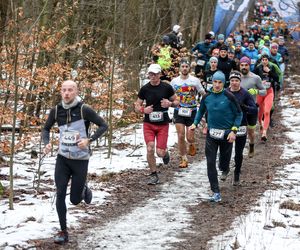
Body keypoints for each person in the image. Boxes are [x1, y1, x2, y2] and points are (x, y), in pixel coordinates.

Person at [42, 80, 108, 244]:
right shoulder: (56, 110)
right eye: (64, 90)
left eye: (70, 90)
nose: (66, 93)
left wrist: (89, 140)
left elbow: (103, 125)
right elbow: (46, 128)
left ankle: (84, 189)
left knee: (75, 200)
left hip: (80, 160)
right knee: (60, 193)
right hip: (62, 158)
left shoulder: (84, 109)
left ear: (76, 91)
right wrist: (47, 143)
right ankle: (63, 231)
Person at [190, 71, 242, 202]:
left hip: (226, 135)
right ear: (212, 82)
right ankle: (216, 192)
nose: (217, 85)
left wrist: (233, 131)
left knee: (223, 164)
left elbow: (239, 114)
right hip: (211, 135)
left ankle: (225, 167)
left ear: (224, 84)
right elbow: (201, 110)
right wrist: (194, 123)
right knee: (210, 162)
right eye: (215, 82)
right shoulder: (207, 97)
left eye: (220, 82)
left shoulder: (229, 96)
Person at [135, 64, 178, 185]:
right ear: (148, 74)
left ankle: (165, 152)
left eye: (155, 74)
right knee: (149, 148)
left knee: (160, 152)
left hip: (163, 124)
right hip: (148, 124)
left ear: (160, 74)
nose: (153, 76)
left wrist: (169, 103)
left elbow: (177, 101)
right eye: (151, 74)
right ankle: (154, 174)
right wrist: (143, 110)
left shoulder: (166, 87)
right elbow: (137, 106)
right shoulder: (144, 89)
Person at [171, 59, 205, 168]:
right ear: (179, 68)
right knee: (180, 136)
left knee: (189, 137)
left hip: (192, 111)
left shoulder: (195, 80)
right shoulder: (174, 81)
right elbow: (169, 95)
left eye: (186, 66)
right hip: (179, 111)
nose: (184, 68)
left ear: (189, 68)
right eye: (183, 66)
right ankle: (184, 159)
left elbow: (202, 93)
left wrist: (208, 101)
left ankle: (191, 143)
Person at [227, 71, 258, 185]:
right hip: (227, 125)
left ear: (240, 82)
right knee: (226, 150)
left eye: (236, 81)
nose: (234, 83)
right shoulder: (225, 92)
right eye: (232, 81)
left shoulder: (245, 94)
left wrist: (244, 107)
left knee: (238, 152)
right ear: (229, 82)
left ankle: (236, 173)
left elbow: (254, 109)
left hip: (241, 125)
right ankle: (225, 169)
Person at [239, 56, 266, 157]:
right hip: (239, 109)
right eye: (242, 65)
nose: (244, 67)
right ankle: (239, 151)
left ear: (249, 66)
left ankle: (251, 145)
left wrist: (256, 91)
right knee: (240, 131)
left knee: (250, 132)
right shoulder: (236, 78)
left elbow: (264, 91)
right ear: (239, 66)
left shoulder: (255, 78)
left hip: (251, 108)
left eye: (246, 65)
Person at [254, 54, 279, 141]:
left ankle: (264, 132)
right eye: (263, 60)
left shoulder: (272, 67)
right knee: (260, 112)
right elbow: (253, 78)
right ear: (261, 60)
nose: (264, 61)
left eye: (266, 60)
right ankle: (261, 124)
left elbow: (277, 78)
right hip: (261, 92)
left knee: (267, 112)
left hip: (269, 92)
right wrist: (259, 82)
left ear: (268, 60)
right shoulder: (258, 68)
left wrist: (269, 72)